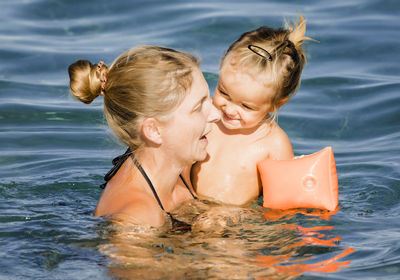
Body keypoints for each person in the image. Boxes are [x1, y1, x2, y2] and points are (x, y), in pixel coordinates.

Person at [68, 46, 220, 227]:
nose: (216, 114)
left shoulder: (180, 160)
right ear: (154, 130)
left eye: (208, 99)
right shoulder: (137, 221)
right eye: (198, 107)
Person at [191, 14, 312, 205]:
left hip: (236, 225)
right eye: (224, 92)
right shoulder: (206, 117)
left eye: (246, 106)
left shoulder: (274, 144)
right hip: (189, 210)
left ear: (277, 104)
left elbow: (282, 204)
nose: (229, 109)